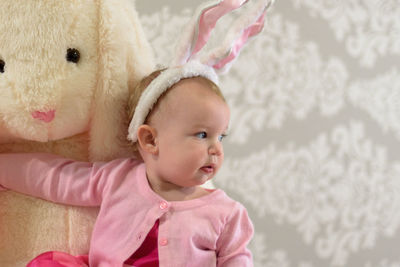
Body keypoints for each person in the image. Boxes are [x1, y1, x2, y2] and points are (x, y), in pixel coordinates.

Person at [0, 61, 254, 267]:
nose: (216, 149)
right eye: (202, 135)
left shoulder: (226, 214)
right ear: (150, 139)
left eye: (221, 136)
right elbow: (56, 177)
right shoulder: (118, 179)